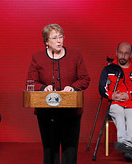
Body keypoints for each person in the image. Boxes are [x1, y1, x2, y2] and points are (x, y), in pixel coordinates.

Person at [27, 24, 90, 164]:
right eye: (54, 38)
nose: (59, 40)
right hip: (46, 112)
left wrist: (73, 87)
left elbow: (85, 79)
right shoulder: (37, 57)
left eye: (61, 36)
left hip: (71, 112)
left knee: (70, 150)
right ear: (46, 42)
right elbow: (31, 82)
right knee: (50, 150)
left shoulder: (75, 54)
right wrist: (43, 88)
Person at [98, 42, 132, 162]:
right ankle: (130, 149)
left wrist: (129, 96)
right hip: (116, 103)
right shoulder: (108, 69)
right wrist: (112, 95)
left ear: (131, 54)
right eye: (120, 53)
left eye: (126, 53)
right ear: (116, 53)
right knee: (119, 115)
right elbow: (101, 88)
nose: (123, 56)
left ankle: (126, 146)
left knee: (130, 118)